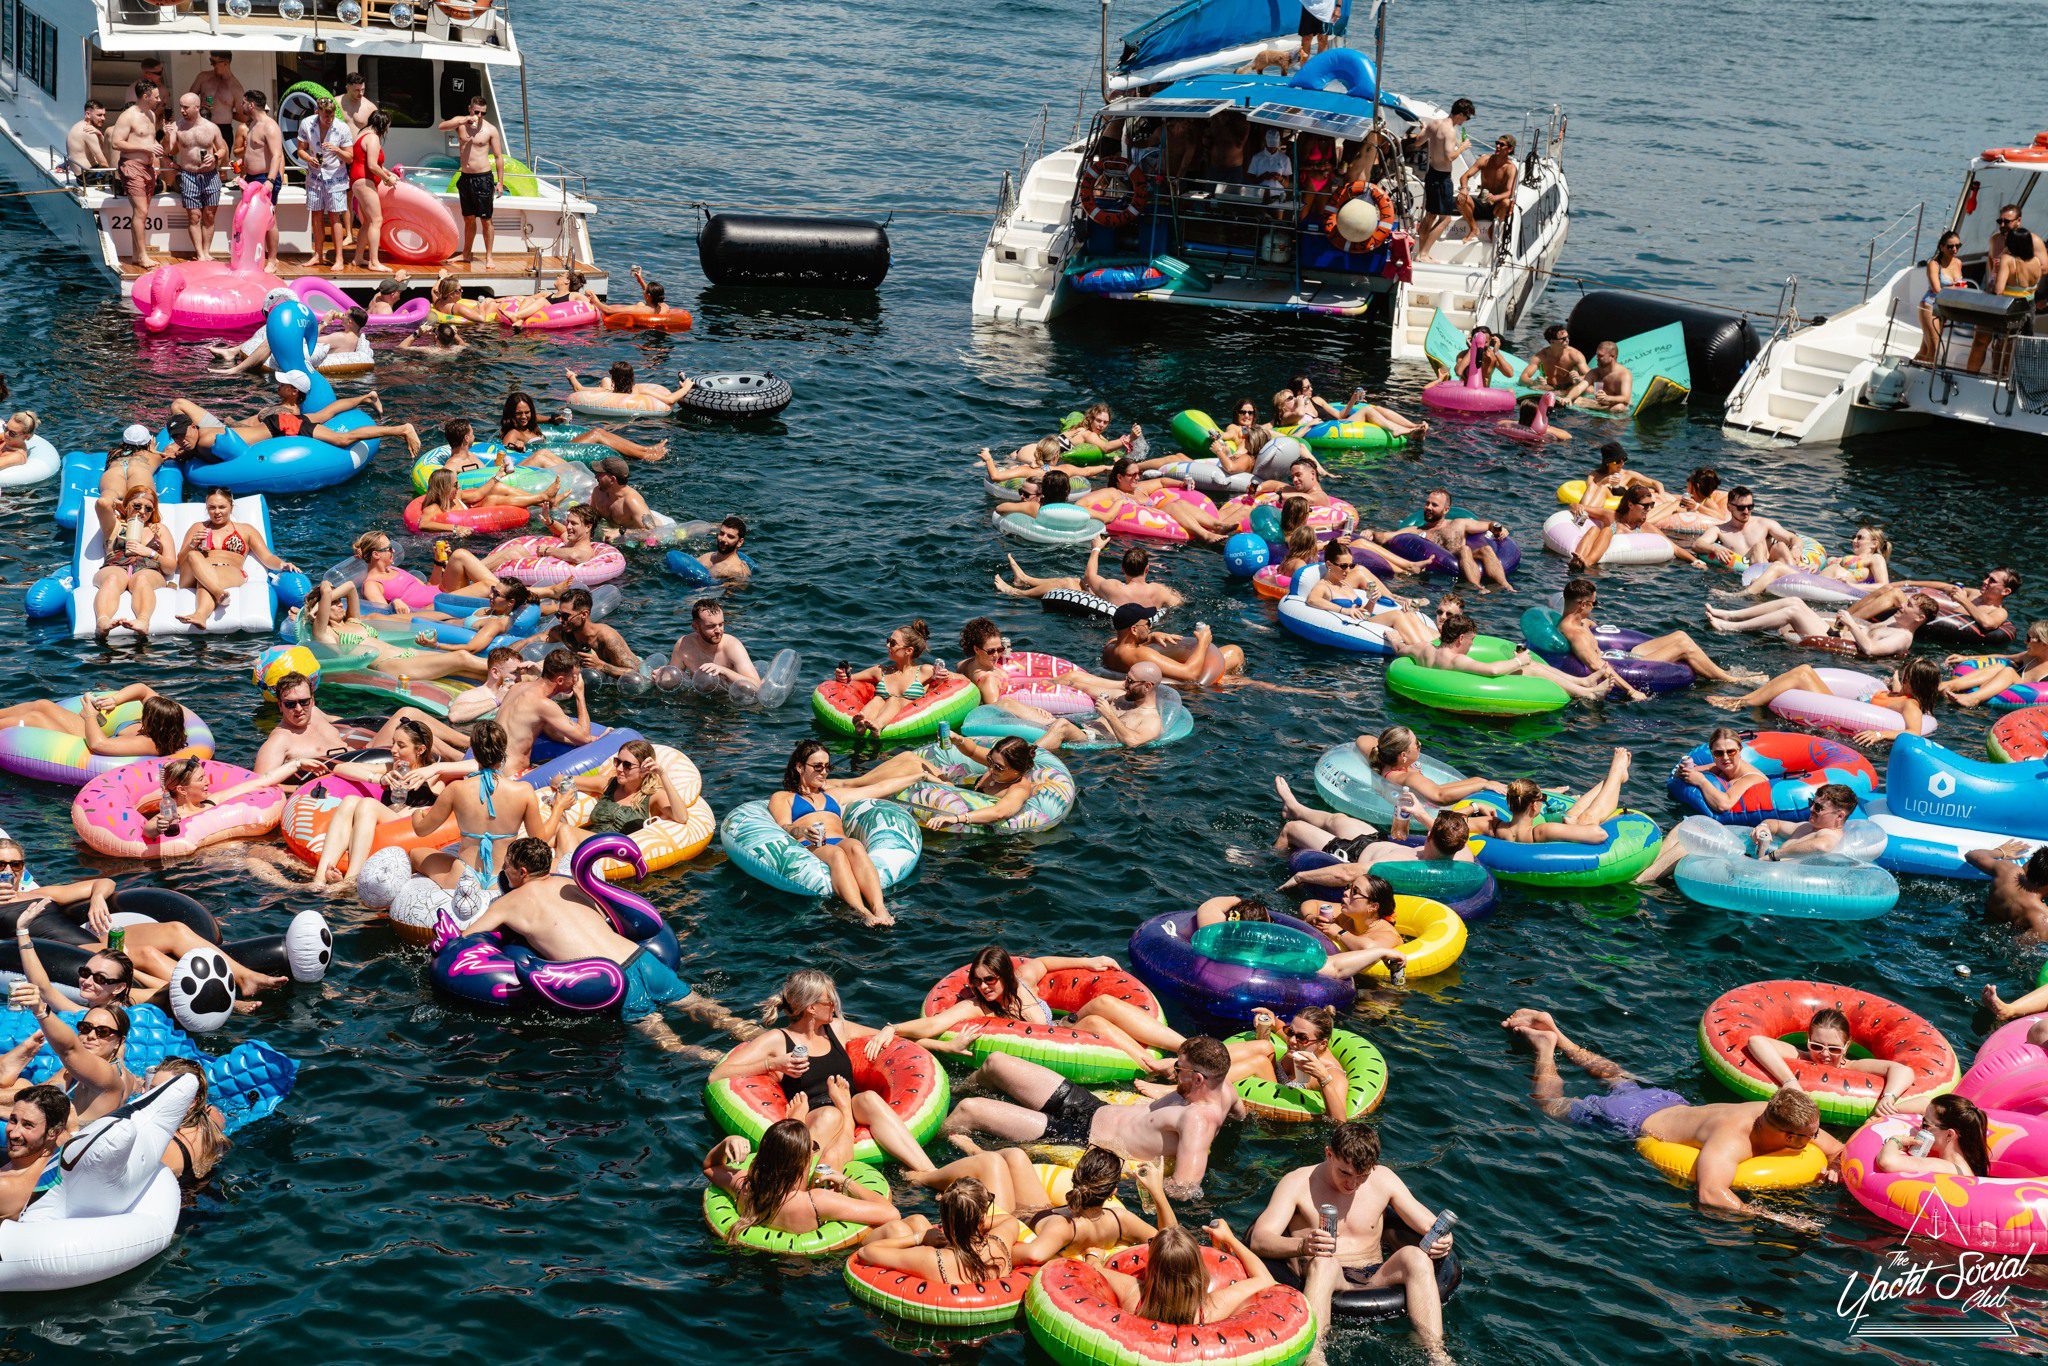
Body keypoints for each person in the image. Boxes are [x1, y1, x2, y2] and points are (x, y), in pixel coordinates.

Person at [1503, 1008, 1834, 1228]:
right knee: (1550, 1104)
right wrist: (1779, 1218)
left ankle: (1561, 1036)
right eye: (1811, 1136)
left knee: (1617, 1078)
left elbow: (1838, 1151)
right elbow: (1710, 1197)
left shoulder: (1783, 1112)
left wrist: (1833, 1168)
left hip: (1664, 1099)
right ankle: (1545, 1047)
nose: (1816, 1139)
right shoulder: (1731, 1141)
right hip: (1629, 1119)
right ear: (1791, 1137)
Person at [458, 838, 747, 1052]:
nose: (503, 871)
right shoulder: (571, 885)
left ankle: (712, 1060)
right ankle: (756, 1036)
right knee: (704, 1007)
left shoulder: (509, 903)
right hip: (640, 958)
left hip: (612, 978)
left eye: (506, 866)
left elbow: (466, 938)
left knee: (670, 1042)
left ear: (521, 871)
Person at [1250, 1119, 1456, 1365]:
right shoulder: (1297, 1183)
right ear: (1329, 1154)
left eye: (1362, 1176)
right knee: (1324, 1264)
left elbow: (1429, 1224)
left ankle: (1437, 1355)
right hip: (1327, 1274)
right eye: (1344, 1173)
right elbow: (1259, 1240)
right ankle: (1314, 1358)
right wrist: (1303, 1246)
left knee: (1416, 1256)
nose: (1352, 1184)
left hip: (1375, 1275)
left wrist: (1445, 1239)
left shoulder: (1384, 1180)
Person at [941, 1037, 1238, 1200]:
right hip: (1091, 1106)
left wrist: (1134, 1179)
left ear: (1198, 1079)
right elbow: (1240, 1114)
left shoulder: (1199, 1119)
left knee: (970, 1109)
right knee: (996, 1063)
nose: (1174, 1071)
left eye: (1179, 1068)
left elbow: (1184, 1189)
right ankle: (950, 1089)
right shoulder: (1225, 1088)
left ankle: (929, 1142)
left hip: (1079, 1138)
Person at [710, 970, 937, 1168]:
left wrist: (893, 1030)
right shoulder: (777, 1039)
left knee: (869, 1098)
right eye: (830, 1002)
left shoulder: (837, 1028)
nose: (835, 1007)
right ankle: (800, 1175)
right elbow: (718, 1074)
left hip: (849, 1101)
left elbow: (891, 1040)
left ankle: (928, 1172)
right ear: (811, 1008)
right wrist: (773, 1064)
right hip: (813, 1112)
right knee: (831, 1114)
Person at [888, 945, 1180, 1076]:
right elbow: (931, 1026)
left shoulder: (1023, 983)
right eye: (977, 980)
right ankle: (1153, 1066)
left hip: (1065, 1025)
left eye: (990, 979)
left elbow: (1043, 963)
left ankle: (1188, 1047)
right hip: (1058, 1040)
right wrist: (894, 1028)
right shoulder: (976, 1006)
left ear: (1005, 976)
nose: (984, 986)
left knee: (1104, 1004)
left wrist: (1089, 961)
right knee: (1096, 1022)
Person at [304, 718, 469, 885]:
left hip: (408, 828)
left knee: (367, 804)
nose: (393, 750)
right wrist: (379, 779)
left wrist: (436, 768)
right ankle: (319, 879)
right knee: (350, 801)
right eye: (393, 743)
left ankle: (351, 880)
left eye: (401, 745)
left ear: (420, 749)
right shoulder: (391, 769)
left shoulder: (435, 775)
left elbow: (478, 766)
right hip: (382, 823)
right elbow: (340, 768)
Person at [766, 741, 910, 926]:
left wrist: (921, 776)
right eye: (817, 767)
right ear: (800, 767)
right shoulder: (783, 797)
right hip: (811, 843)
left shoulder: (833, 795)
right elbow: (784, 826)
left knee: (856, 846)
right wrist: (802, 830)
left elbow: (879, 789)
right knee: (836, 854)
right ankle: (863, 912)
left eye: (828, 766)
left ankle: (880, 908)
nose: (824, 772)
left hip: (840, 840)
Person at [702, 1120, 900, 1244]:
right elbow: (891, 1214)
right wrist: (846, 1182)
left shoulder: (744, 1187)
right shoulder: (817, 1201)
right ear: (802, 1161)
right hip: (812, 1272)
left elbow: (710, 1167)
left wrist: (727, 1141)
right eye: (812, 1149)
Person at [1635, 781, 1862, 884]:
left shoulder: (1828, 836)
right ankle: (1649, 868)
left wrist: (1774, 855)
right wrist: (1763, 827)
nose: (1812, 809)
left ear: (1840, 816)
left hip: (1760, 879)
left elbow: (1821, 847)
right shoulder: (1808, 827)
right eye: (1813, 802)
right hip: (1756, 867)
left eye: (1819, 808)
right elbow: (1774, 823)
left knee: (1692, 842)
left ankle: (1640, 883)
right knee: (1686, 826)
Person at [405, 721, 546, 885]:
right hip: (505, 876)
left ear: (474, 751)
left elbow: (422, 830)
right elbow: (540, 840)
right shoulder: (524, 791)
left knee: (415, 853)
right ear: (503, 751)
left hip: (462, 876)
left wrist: (417, 813)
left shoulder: (456, 789)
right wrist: (558, 808)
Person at [252, 670, 470, 776]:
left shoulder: (314, 713)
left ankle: (471, 747)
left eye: (304, 701)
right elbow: (261, 785)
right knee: (411, 732)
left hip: (365, 753)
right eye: (290, 704)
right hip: (350, 772)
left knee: (408, 712)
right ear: (280, 705)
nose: (298, 709)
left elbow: (341, 722)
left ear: (312, 699)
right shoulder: (279, 741)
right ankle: (467, 766)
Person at [1557, 578, 1760, 689]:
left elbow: (1591, 628)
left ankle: (1722, 673)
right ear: (1582, 604)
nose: (1595, 607)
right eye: (1594, 604)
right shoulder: (1576, 633)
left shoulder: (1579, 621)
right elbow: (1597, 666)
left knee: (1680, 635)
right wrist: (1631, 691)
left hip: (1622, 657)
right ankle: (1730, 680)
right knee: (1684, 647)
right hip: (1626, 667)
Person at [172, 374, 422, 457]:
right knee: (179, 402)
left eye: (282, 384)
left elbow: (331, 410)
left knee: (342, 440)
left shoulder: (291, 412)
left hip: (279, 426)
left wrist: (182, 452)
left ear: (293, 391)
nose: (276, 385)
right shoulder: (274, 408)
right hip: (238, 428)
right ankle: (368, 397)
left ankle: (401, 429)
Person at [305, 581, 490, 684]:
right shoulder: (326, 634)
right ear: (321, 609)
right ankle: (513, 668)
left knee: (468, 672)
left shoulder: (353, 620)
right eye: (334, 603)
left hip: (407, 655)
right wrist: (323, 597)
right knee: (461, 658)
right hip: (392, 665)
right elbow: (326, 590)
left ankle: (509, 677)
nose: (339, 604)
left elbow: (351, 586)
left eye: (340, 601)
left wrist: (328, 595)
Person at [1744, 1007, 1916, 1116]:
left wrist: (1889, 1096)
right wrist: (1790, 1081)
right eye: (1817, 1046)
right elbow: (1756, 1041)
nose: (1824, 1054)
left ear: (1847, 1046)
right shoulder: (1800, 1056)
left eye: (1834, 1049)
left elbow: (1903, 1070)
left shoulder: (1854, 1067)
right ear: (1808, 1039)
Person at [1405, 614, 1617, 702]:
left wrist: (1394, 638)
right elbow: (1493, 671)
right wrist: (1519, 661)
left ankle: (1582, 681)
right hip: (1460, 690)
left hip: (1437, 679)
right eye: (1471, 640)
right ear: (1461, 638)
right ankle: (1587, 694)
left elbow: (1401, 650)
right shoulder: (1455, 660)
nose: (1472, 644)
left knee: (1530, 664)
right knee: (1529, 668)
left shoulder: (1423, 649)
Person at [535, 737, 684, 864]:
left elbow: (681, 817)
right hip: (588, 840)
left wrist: (662, 774)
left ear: (644, 769)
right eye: (617, 761)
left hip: (615, 849)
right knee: (543, 840)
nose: (619, 768)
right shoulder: (608, 784)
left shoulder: (653, 795)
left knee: (564, 829)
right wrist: (564, 791)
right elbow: (557, 779)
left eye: (627, 765)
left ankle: (562, 877)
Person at [850, 1178, 1023, 1285]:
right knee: (918, 1220)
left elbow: (866, 1252)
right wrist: (970, 1225)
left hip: (934, 1331)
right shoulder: (999, 1244)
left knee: (898, 1228)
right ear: (983, 1217)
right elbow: (1010, 1220)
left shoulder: (931, 1259)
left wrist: (918, 1238)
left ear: (946, 1218)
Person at [0, 996, 139, 1128]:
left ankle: (12, 1062)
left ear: (119, 1041)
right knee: (22, 1084)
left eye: (103, 1032)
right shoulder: (94, 1064)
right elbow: (45, 1091)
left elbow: (69, 1049)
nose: (91, 1036)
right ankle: (14, 1061)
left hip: (69, 1143)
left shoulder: (108, 1075)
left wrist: (42, 1010)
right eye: (86, 1028)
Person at [172, 486, 297, 630]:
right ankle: (219, 593)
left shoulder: (245, 530)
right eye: (212, 508)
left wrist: (282, 564)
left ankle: (200, 615)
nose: (217, 512)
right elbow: (181, 560)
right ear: (207, 508)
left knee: (207, 577)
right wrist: (192, 544)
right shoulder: (198, 527)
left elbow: (267, 557)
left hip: (229, 571)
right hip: (192, 575)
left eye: (222, 507)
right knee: (193, 554)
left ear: (231, 506)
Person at [1704, 591, 1936, 659]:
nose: (1902, 606)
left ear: (1919, 618)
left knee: (1793, 611)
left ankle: (1731, 627)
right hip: (1839, 634)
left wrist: (1850, 625)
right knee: (1795, 600)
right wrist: (1845, 622)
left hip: (1839, 644)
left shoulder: (1903, 637)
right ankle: (1732, 615)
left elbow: (1871, 650)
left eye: (1909, 606)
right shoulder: (1896, 621)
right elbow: (1867, 629)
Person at [1301, 541, 1436, 652]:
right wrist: (1345, 610)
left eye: (1351, 565)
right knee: (1397, 615)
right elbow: (1312, 599)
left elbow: (1365, 614)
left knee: (1408, 614)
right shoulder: (1324, 586)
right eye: (1343, 566)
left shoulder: (1345, 585)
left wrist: (1372, 601)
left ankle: (1434, 645)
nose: (1348, 570)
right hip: (1352, 625)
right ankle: (1424, 652)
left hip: (1364, 621)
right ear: (1329, 565)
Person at [996, 534, 1184, 612]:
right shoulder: (1160, 590)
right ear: (1147, 569)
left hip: (1107, 624)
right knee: (1078, 582)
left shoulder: (1114, 587)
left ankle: (1018, 592)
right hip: (1138, 625)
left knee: (1071, 583)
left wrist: (1096, 549)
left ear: (1122, 569)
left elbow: (1089, 576)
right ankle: (1026, 579)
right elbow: (1179, 603)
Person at [833, 620, 948, 746]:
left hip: (906, 726)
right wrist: (842, 675)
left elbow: (959, 678)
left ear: (908, 650)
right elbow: (848, 679)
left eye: (892, 643)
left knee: (894, 700)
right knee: (878, 699)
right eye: (888, 640)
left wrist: (945, 675)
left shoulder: (924, 671)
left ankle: (877, 725)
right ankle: (861, 723)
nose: (887, 645)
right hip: (877, 715)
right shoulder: (880, 671)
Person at [0, 685, 187, 760]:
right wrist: (115, 700)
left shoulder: (148, 743)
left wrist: (89, 716)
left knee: (36, 719)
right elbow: (143, 690)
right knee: (44, 705)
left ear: (154, 722)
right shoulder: (162, 722)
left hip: (88, 750)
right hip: (97, 735)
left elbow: (98, 744)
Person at [87, 484, 173, 637]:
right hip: (115, 566)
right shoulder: (115, 524)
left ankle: (143, 621)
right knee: (112, 578)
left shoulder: (159, 529)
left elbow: (171, 567)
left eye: (148, 509)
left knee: (142, 580)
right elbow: (102, 503)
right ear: (127, 505)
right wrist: (121, 505)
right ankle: (103, 621)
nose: (142, 511)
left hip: (148, 569)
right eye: (137, 506)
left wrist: (150, 552)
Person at [493, 649, 593, 776]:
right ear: (560, 680)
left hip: (490, 762)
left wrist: (595, 738)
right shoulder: (544, 704)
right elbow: (585, 738)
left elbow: (551, 732)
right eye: (575, 677)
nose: (577, 681)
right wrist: (580, 695)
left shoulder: (517, 687)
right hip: (510, 774)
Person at [1845, 567, 2018, 640]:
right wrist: (1908, 582)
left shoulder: (2000, 612)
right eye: (1987, 576)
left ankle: (1846, 624)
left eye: (1992, 580)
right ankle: (1844, 618)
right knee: (1887, 590)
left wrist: (1964, 601)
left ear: (2006, 591)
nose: (1985, 580)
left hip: (1932, 622)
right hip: (1927, 615)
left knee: (1894, 596)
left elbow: (1988, 624)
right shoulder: (1974, 593)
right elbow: (1943, 586)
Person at [1103, 603, 1246, 686]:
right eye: (1147, 624)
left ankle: (1231, 681)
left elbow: (1120, 641)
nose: (1150, 627)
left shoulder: (1109, 648)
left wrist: (1150, 638)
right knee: (1234, 652)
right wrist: (1203, 642)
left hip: (1161, 683)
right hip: (1190, 692)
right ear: (1134, 629)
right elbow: (1190, 675)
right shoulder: (1141, 655)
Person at [499, 391, 666, 462]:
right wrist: (516, 447)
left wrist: (551, 419)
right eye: (519, 413)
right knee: (597, 433)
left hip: (558, 449)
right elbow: (503, 451)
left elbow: (534, 419)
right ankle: (646, 454)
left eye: (527, 412)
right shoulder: (513, 433)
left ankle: (645, 449)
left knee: (598, 432)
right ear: (511, 414)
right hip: (554, 457)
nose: (523, 417)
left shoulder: (529, 422)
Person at [440, 94, 507, 266]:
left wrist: (500, 182)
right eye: (476, 112)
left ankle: (489, 256)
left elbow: (499, 157)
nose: (479, 116)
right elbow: (441, 127)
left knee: (486, 220)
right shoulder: (460, 123)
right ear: (470, 109)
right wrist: (463, 120)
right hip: (465, 177)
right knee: (468, 218)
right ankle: (466, 254)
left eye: (483, 113)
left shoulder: (490, 130)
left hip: (483, 178)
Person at [1735, 526, 1891, 600]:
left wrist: (1854, 586)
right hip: (1818, 580)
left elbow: (1883, 585)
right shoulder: (1848, 557)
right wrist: (1815, 568)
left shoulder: (1875, 558)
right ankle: (1756, 591)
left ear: (1874, 543)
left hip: (1831, 586)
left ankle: (1741, 595)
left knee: (1777, 567)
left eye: (1860, 538)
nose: (1854, 540)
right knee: (1771, 571)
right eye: (1854, 536)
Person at [518, 587, 639, 679]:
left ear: (584, 614)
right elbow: (527, 641)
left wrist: (601, 665)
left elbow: (634, 673)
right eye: (558, 615)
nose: (560, 620)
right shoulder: (563, 632)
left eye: (565, 616)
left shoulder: (606, 637)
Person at [148, 1056, 226, 1193]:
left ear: (191, 1102)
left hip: (182, 1205)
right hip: (209, 1189)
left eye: (161, 1091)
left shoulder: (166, 1146)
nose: (146, 1095)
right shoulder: (213, 1116)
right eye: (151, 1089)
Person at [1408, 489, 1513, 589]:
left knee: (1486, 549)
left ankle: (1506, 586)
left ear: (1446, 509)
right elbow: (1394, 535)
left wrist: (1500, 528)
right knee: (1464, 549)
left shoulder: (1459, 523)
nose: (1428, 507)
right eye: (1427, 503)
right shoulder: (1418, 530)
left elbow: (1489, 524)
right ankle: (1478, 587)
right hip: (1444, 563)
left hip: (1464, 558)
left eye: (1434, 505)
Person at [111, 81, 166, 270]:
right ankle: (142, 256)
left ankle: (136, 255)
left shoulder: (151, 114)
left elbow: (149, 140)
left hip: (148, 168)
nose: (159, 100)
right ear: (145, 96)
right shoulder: (128, 117)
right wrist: (145, 147)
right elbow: (116, 143)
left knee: (142, 212)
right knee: (141, 211)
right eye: (156, 96)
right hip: (131, 167)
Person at [294, 95, 354, 270]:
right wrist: (309, 159)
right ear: (317, 112)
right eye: (325, 116)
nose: (329, 119)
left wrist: (337, 150)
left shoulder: (342, 128)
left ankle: (339, 259)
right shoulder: (307, 123)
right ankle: (318, 255)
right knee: (317, 215)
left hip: (335, 177)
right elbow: (300, 150)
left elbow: (350, 157)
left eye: (332, 116)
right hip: (315, 177)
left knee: (335, 216)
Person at [1874, 1095, 1992, 1181]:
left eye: (1925, 1125)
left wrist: (1896, 1141)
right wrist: (1886, 1111)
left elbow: (1887, 1162)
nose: (1920, 1128)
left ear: (1950, 1134)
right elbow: (1925, 1102)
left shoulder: (1946, 1167)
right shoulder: (1966, 1162)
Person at [232, 92, 286, 272]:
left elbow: (277, 155)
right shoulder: (252, 124)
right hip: (251, 178)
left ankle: (272, 259)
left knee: (269, 220)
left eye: (244, 102)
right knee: (253, 220)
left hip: (265, 178)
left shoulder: (269, 126)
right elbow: (255, 151)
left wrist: (271, 180)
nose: (242, 105)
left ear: (252, 105)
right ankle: (257, 255)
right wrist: (243, 163)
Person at [1415, 98, 1474, 260]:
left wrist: (1423, 130)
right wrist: (1462, 147)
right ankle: (1424, 253)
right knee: (1445, 218)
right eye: (1467, 117)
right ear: (1461, 114)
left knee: (1430, 215)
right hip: (1442, 178)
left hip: (1431, 173)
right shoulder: (1450, 131)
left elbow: (1418, 141)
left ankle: (1420, 252)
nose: (1466, 121)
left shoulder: (1434, 124)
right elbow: (1449, 157)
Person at [0, 1085, 67, 1220]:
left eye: (27, 1125)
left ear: (53, 1133)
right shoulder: (61, 1145)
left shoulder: (5, 1185)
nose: (13, 1133)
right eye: (13, 1120)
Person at [1668, 727, 1768, 816]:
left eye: (1731, 752)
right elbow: (1684, 772)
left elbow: (1724, 805)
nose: (1725, 758)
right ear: (1712, 753)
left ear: (1740, 750)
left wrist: (1701, 781)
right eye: (1718, 753)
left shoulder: (1751, 778)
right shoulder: (1719, 767)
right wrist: (1682, 771)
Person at [1693, 486, 1804, 567]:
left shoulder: (1764, 524)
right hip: (1744, 573)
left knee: (1780, 546)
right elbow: (1697, 544)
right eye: (1741, 508)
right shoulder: (1720, 530)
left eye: (1750, 507)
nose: (1746, 511)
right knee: (1757, 547)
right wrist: (1714, 549)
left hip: (1771, 564)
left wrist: (1796, 548)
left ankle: (1794, 576)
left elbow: (1792, 538)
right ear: (1729, 507)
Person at [667, 600, 761, 692]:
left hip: (728, 699)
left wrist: (724, 670)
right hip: (699, 696)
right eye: (711, 626)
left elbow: (756, 686)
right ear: (696, 627)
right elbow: (673, 680)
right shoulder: (684, 644)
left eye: (721, 624)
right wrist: (661, 676)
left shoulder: (732, 646)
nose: (718, 631)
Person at [1967, 843, 2048, 948]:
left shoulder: (2007, 870)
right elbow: (2018, 948)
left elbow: (1972, 855)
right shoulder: (2042, 918)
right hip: (1998, 945)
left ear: (2031, 863)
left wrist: (2001, 851)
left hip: (1981, 925)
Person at [349, 110, 399, 272]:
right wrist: (387, 178)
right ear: (383, 125)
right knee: (377, 220)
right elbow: (371, 165)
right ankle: (374, 261)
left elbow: (371, 162)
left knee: (368, 222)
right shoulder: (373, 138)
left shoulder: (363, 134)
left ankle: (358, 258)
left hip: (358, 180)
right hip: (365, 181)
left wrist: (387, 172)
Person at [1914, 231, 1967, 363]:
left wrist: (1961, 288)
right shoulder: (1934, 264)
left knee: (1925, 350)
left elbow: (1960, 285)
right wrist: (1957, 287)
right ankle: (1927, 378)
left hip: (1945, 308)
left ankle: (1910, 368)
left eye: (1957, 246)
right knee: (1934, 349)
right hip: (1930, 306)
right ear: (1942, 247)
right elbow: (1937, 289)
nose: (1954, 249)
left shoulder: (1958, 263)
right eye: (1950, 246)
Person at [1457, 132, 1518, 245]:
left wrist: (1495, 197)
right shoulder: (1485, 160)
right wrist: (1464, 189)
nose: (1498, 146)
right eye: (1497, 143)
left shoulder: (1510, 168)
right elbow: (1464, 176)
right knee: (1460, 198)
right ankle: (1474, 228)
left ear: (1509, 149)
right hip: (1482, 202)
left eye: (1501, 144)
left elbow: (1509, 192)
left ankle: (1491, 229)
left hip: (1496, 207)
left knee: (1506, 202)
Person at [563, 362, 695, 413]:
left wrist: (572, 376)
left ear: (614, 378)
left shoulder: (607, 391)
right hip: (639, 426)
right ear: (632, 376)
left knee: (605, 381)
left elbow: (579, 389)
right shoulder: (639, 390)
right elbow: (670, 400)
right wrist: (687, 386)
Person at [592, 264, 691, 329]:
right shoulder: (664, 306)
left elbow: (608, 310)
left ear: (648, 296)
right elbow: (651, 293)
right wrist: (640, 279)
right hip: (656, 331)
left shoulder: (640, 309)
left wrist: (595, 300)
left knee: (640, 303)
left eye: (645, 291)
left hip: (639, 333)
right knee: (641, 303)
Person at [188, 52, 243, 148]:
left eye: (214, 62)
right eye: (210, 60)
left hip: (223, 129)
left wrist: (227, 112)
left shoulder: (236, 88)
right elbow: (189, 99)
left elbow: (243, 116)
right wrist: (199, 110)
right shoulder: (203, 77)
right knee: (198, 159)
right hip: (202, 125)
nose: (211, 64)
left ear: (225, 63)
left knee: (221, 161)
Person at [1562, 339, 1633, 412]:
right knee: (1575, 399)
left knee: (1619, 408)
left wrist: (1607, 398)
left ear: (1612, 356)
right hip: (1600, 405)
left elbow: (1626, 398)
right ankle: (1600, 409)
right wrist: (1569, 397)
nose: (1596, 358)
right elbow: (1580, 387)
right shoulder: (1594, 372)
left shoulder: (1624, 374)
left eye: (1600, 355)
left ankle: (1599, 409)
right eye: (1597, 355)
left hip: (1614, 406)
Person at [1519, 322, 1587, 390]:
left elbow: (1591, 375)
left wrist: (1579, 378)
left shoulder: (1575, 355)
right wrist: (1533, 382)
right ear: (1552, 341)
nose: (1567, 340)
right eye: (1563, 339)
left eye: (1567, 337)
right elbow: (1522, 378)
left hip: (1568, 388)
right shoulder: (1541, 357)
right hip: (1548, 388)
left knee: (1588, 389)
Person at [63, 100, 111, 180]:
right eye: (99, 115)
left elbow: (104, 149)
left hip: (82, 174)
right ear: (88, 114)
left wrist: (99, 134)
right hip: (88, 177)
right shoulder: (88, 131)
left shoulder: (79, 125)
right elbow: (103, 162)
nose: (103, 118)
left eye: (104, 115)